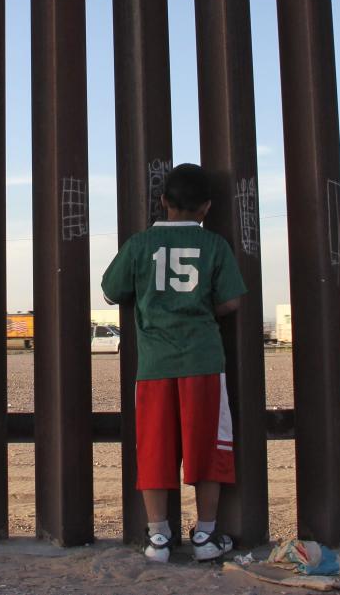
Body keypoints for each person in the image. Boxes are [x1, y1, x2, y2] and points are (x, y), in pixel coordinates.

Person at [100, 163, 246, 563]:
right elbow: (232, 300)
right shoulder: (215, 245)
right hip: (202, 361)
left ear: (163, 202)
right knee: (207, 448)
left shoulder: (140, 244)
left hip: (154, 366)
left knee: (154, 448)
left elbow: (112, 291)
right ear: (206, 208)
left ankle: (159, 538)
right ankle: (205, 536)